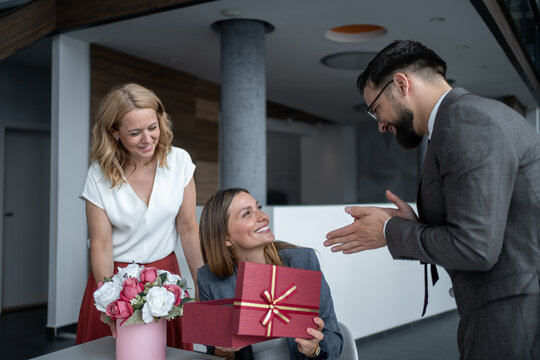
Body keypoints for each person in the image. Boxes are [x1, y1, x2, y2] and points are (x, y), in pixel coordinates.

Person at [325, 40, 540, 360]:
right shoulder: (464, 119)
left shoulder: (467, 122)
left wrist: (388, 231)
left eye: (375, 110)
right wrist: (413, 224)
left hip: (513, 319)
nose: (381, 124)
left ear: (400, 84)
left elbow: (476, 248)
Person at [75, 83, 203, 350]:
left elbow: (189, 228)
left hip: (165, 278)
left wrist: (204, 284)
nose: (147, 139)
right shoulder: (98, 174)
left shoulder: (179, 161)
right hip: (114, 280)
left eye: (152, 127)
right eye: (135, 132)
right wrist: (107, 298)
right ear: (114, 132)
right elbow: (101, 243)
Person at [197, 188, 343, 360]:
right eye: (247, 214)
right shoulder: (209, 280)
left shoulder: (303, 262)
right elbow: (213, 354)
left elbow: (334, 338)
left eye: (259, 207)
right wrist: (224, 349)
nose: (263, 216)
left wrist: (314, 350)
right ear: (226, 238)